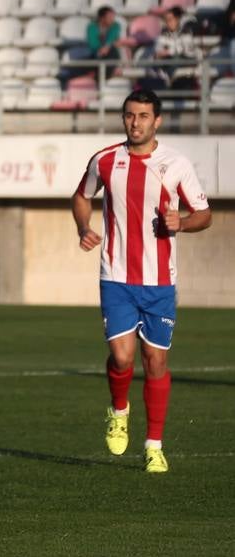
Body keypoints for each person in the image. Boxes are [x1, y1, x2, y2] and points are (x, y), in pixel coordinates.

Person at [72, 88, 211, 474]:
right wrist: (83, 226)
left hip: (159, 282)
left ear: (157, 121)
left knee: (155, 361)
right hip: (115, 276)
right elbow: (81, 196)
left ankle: (154, 445)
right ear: (124, 118)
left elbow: (204, 214)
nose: (136, 123)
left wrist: (182, 223)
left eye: (144, 116)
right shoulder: (104, 160)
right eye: (130, 115)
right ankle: (119, 411)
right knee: (122, 357)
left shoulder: (176, 164)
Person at [61, 5, 121, 86]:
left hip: (108, 55)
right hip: (95, 55)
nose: (112, 19)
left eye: (113, 16)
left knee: (112, 51)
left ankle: (100, 78)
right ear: (102, 18)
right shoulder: (92, 26)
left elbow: (112, 37)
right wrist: (101, 49)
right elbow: (93, 43)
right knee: (73, 68)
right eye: (110, 17)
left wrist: (107, 46)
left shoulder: (115, 25)